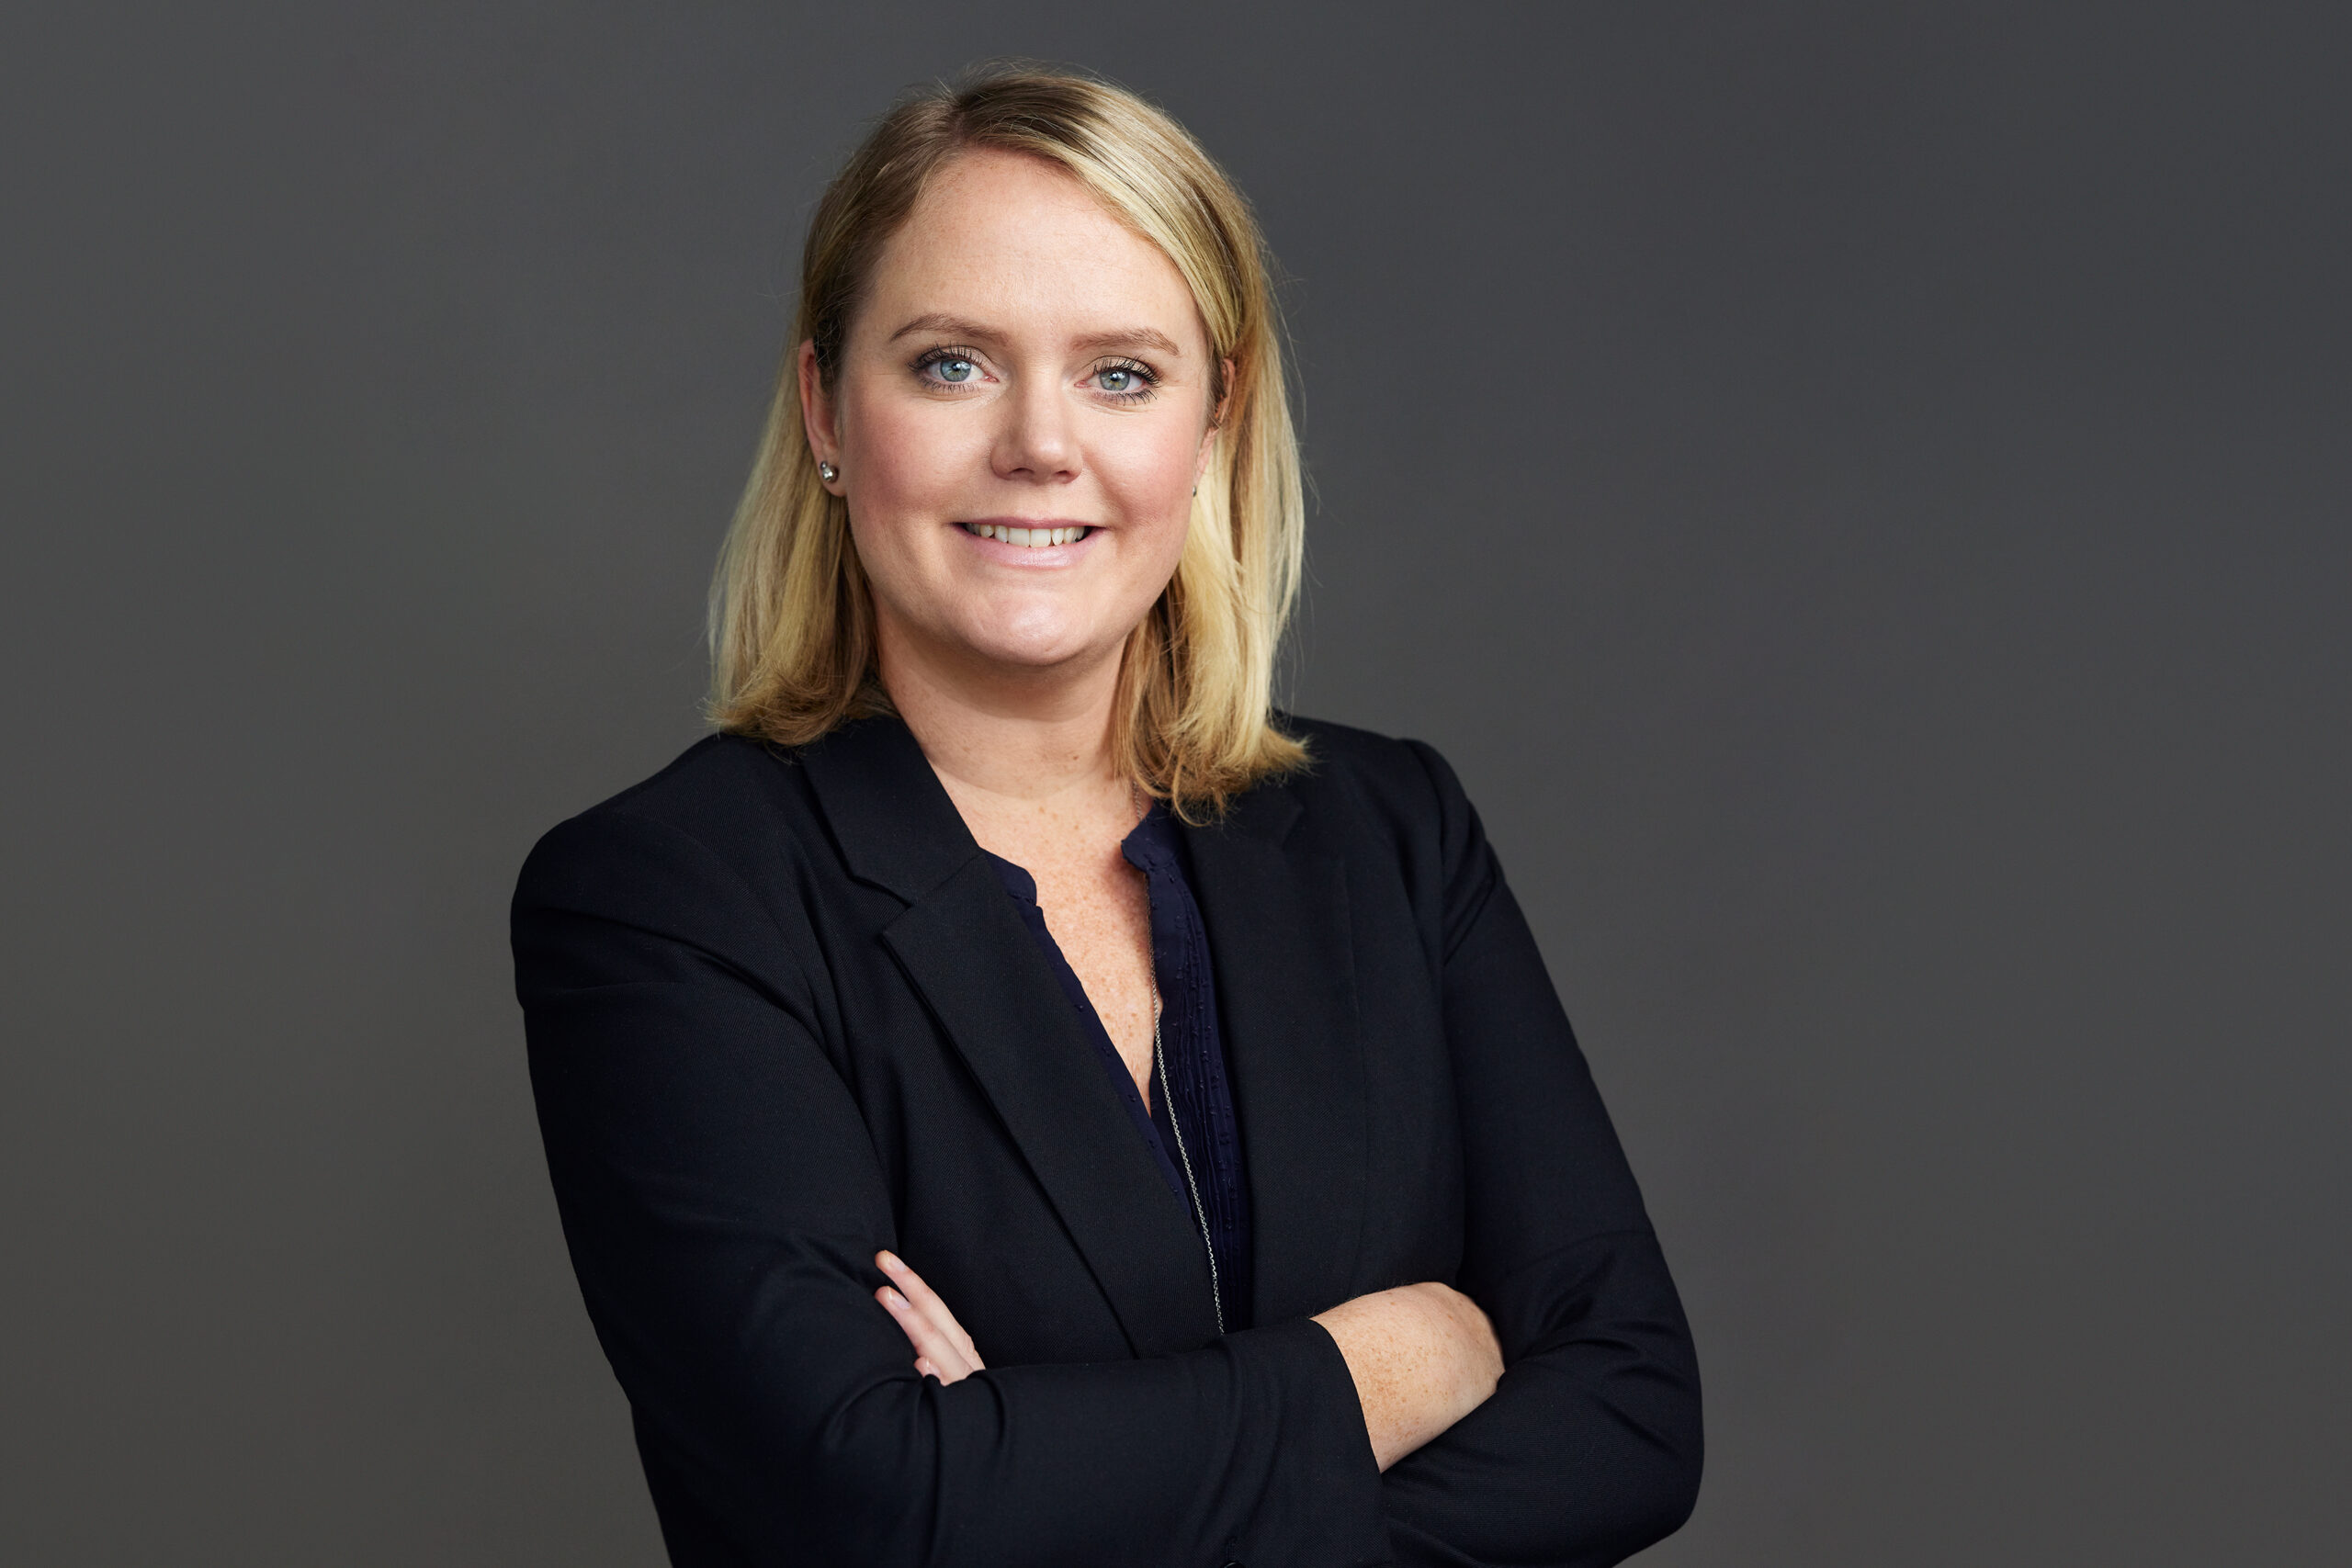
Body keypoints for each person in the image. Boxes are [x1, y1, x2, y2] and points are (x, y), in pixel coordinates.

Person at [513, 66, 1701, 1568]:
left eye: (1122, 374)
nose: (1040, 446)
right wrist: (1405, 1360)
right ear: (827, 407)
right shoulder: (666, 897)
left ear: (1216, 421)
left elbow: (1636, 1417)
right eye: (951, 364)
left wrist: (1035, 1459)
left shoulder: (1392, 835)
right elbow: (873, 1504)